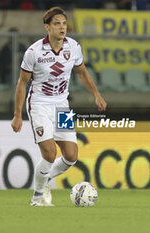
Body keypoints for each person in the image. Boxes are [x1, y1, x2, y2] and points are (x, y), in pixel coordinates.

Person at [11, 7, 107, 206]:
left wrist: (96, 94)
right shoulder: (34, 52)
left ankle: (44, 179)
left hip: (62, 106)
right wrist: (17, 114)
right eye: (57, 23)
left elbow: (82, 72)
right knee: (49, 153)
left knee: (71, 156)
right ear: (47, 27)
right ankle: (38, 197)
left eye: (64, 23)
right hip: (39, 104)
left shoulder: (73, 47)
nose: (62, 27)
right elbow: (22, 82)